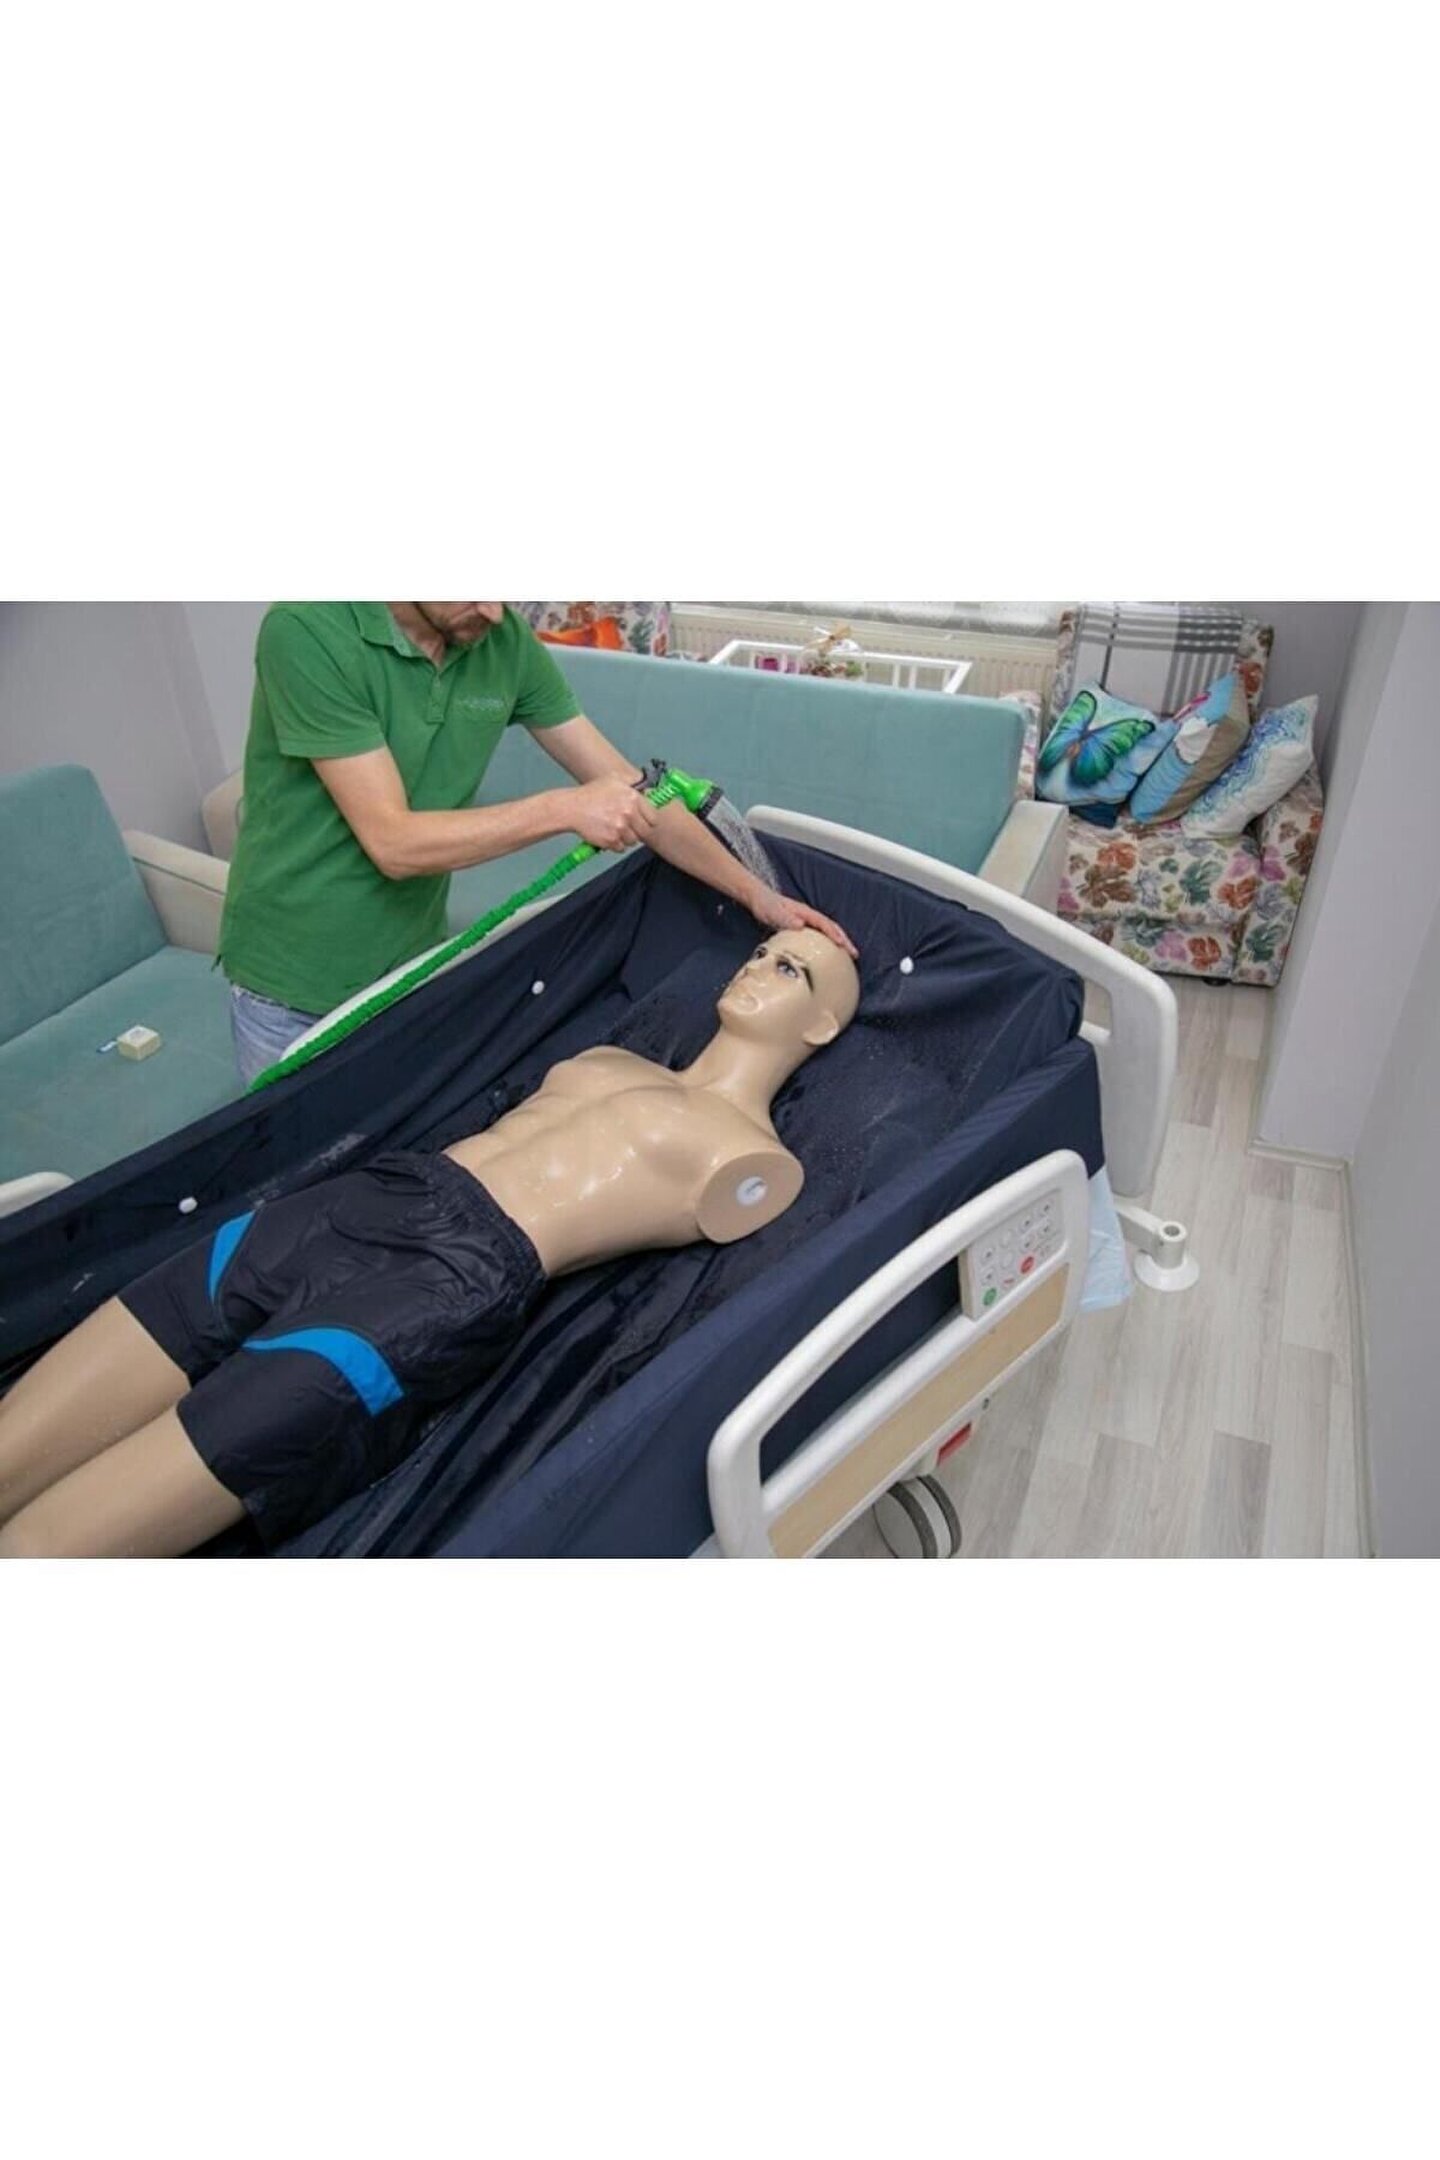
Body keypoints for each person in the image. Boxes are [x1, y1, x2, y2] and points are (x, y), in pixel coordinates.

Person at [0, 930, 860, 1558]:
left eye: (791, 969)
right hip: (370, 1197)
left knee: (44, 1549)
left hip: (440, 1288)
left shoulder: (754, 1159)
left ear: (821, 1024)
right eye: (760, 950)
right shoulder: (609, 1061)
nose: (757, 965)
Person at [220, 602, 855, 1084]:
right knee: (290, 1189)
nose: (495, 612)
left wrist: (756, 894)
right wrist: (562, 809)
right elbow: (393, 844)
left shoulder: (500, 642)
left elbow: (630, 790)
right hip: (293, 983)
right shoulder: (307, 631)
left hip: (410, 967)